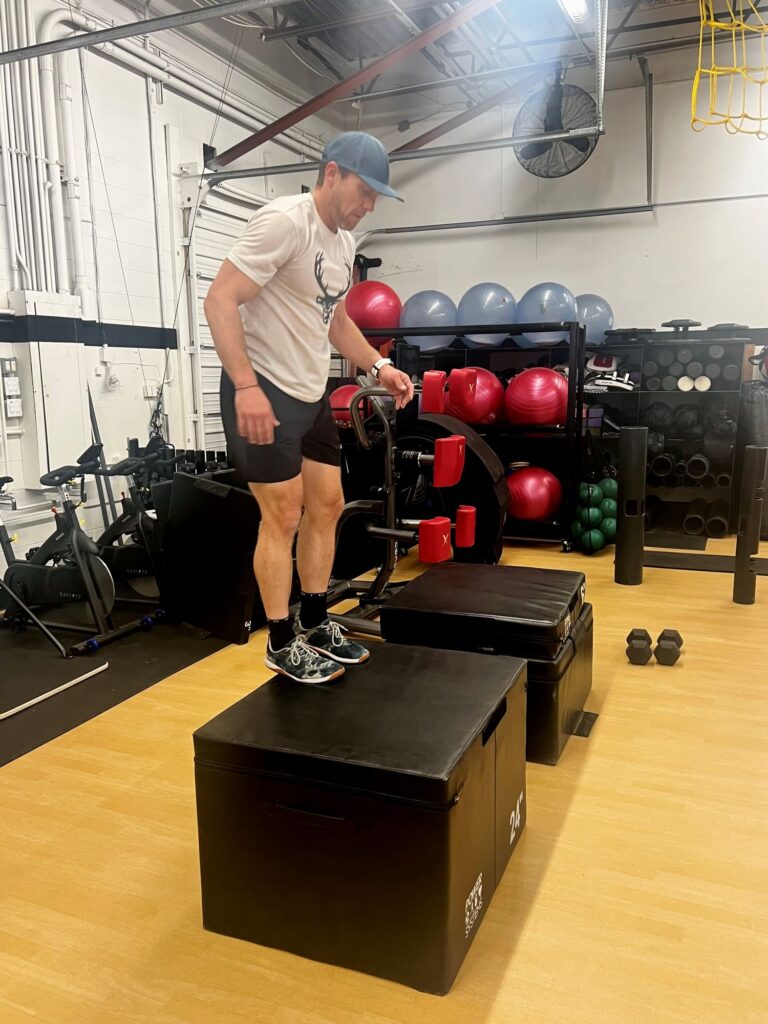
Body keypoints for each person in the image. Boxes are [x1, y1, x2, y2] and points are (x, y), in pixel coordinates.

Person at [204, 131, 414, 684]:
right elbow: (220, 298)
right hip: (263, 391)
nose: (368, 205)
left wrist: (377, 366)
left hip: (308, 392)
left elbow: (334, 320)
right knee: (283, 516)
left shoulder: (343, 242)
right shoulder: (284, 222)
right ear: (332, 174)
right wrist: (245, 386)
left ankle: (316, 620)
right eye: (365, 192)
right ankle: (279, 639)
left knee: (327, 505)